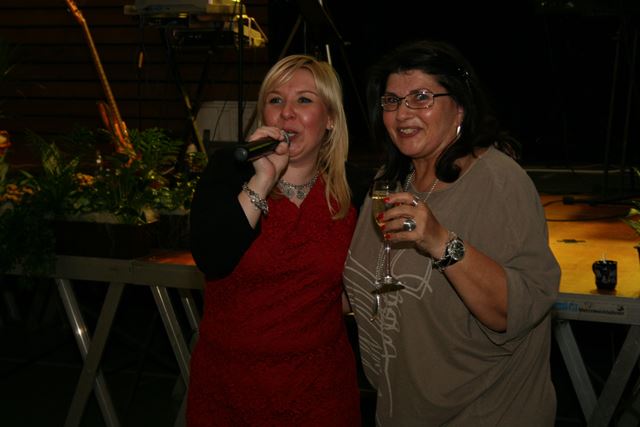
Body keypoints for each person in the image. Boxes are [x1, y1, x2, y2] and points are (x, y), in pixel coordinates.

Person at [342, 40, 561, 426]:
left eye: (421, 97)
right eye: (391, 101)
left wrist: (440, 242)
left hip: (484, 415)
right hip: (401, 412)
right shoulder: (389, 181)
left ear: (460, 105)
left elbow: (514, 311)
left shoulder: (499, 182)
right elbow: (367, 282)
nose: (402, 113)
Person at [187, 54, 369, 426]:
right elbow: (212, 258)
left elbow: (364, 282)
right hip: (231, 387)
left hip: (321, 390)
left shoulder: (355, 188)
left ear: (330, 119)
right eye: (275, 100)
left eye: (304, 100)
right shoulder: (228, 171)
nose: (286, 112)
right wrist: (262, 180)